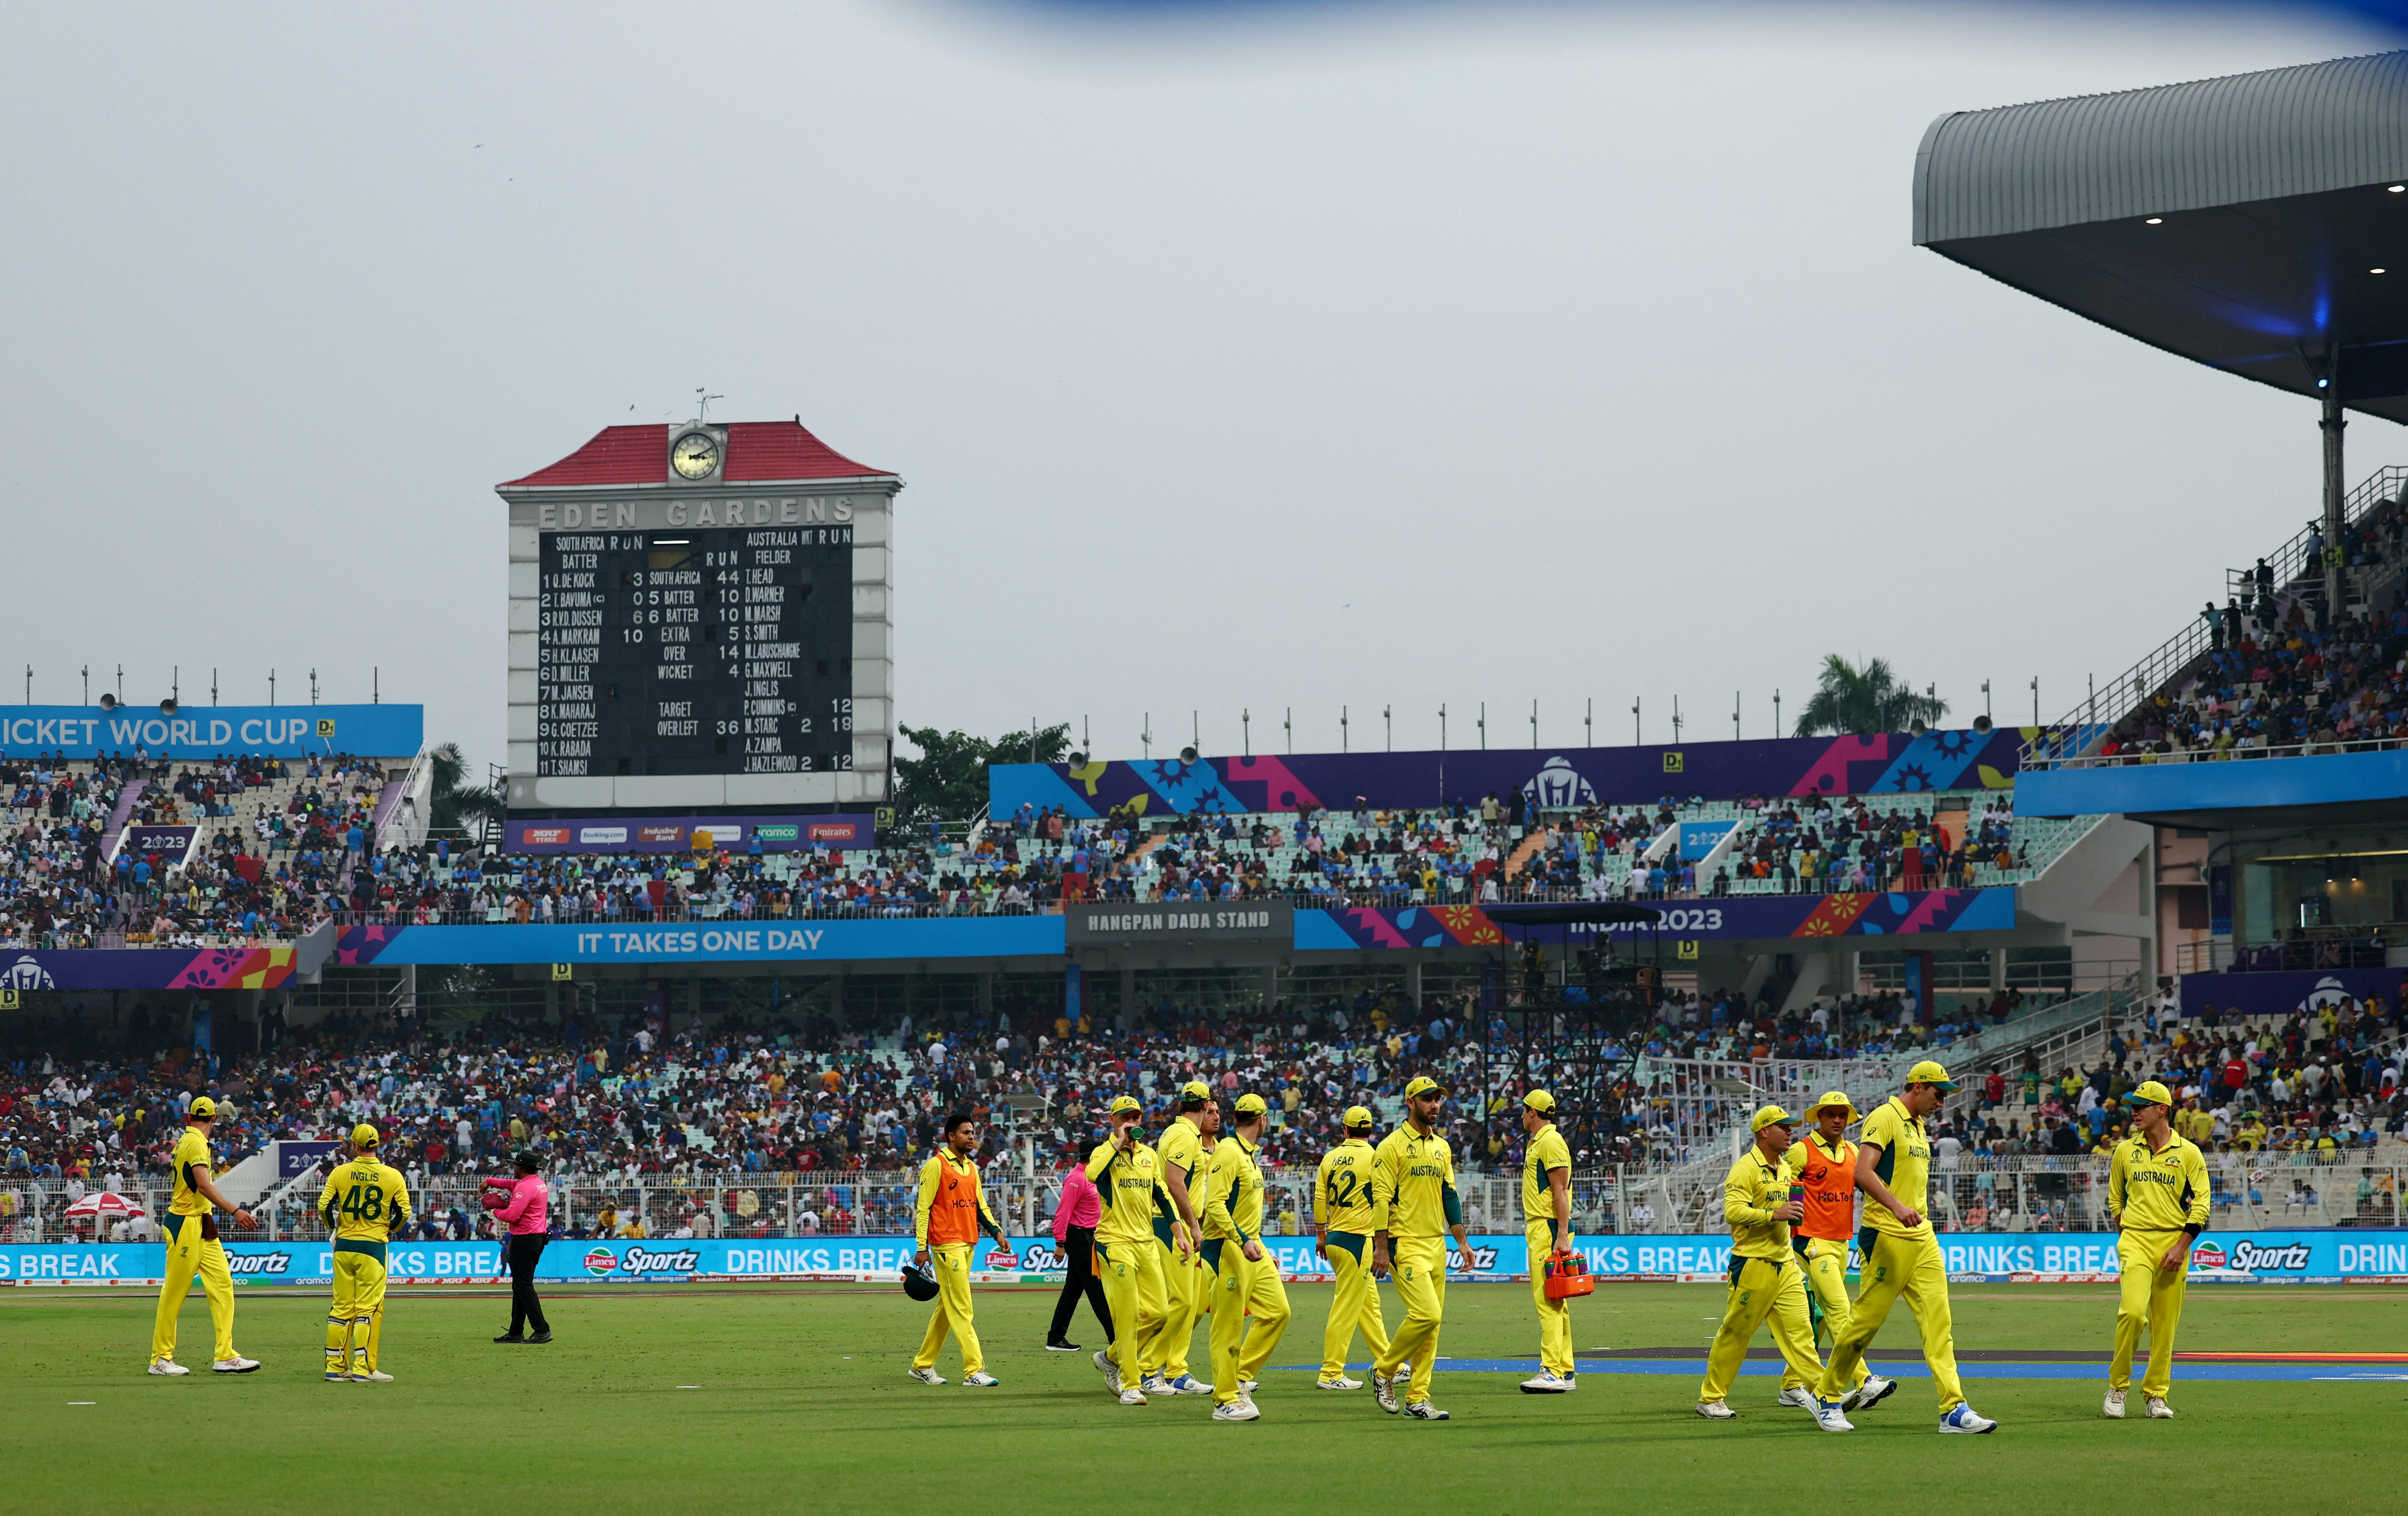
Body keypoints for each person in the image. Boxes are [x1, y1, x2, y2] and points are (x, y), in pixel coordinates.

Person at [1811, 1061, 1998, 1435]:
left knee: (1939, 1323)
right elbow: (1862, 1172)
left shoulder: (1918, 1125)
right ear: (1918, 1086)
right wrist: (1897, 1207)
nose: (1941, 1102)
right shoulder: (1886, 1116)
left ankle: (1953, 1409)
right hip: (1886, 1233)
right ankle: (1827, 1396)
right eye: (1937, 1094)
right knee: (1865, 1322)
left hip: (1922, 1237)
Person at [1695, 1107, 1831, 1420]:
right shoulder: (1745, 1168)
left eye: (1791, 1127)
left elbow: (1788, 1208)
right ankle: (1711, 1398)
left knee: (1803, 1331)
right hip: (1752, 1263)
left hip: (1785, 1264)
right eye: (1784, 1127)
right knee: (1736, 1333)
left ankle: (1826, 1395)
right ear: (1764, 1131)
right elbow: (1733, 1213)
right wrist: (1775, 1215)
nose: (1790, 1132)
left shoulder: (1785, 1167)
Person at [1368, 1074, 1478, 1421]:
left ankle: (1418, 1397)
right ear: (1411, 1103)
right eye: (1428, 1099)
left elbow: (1449, 1194)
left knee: (1433, 1325)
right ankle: (1385, 1371)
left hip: (1436, 1243)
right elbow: (1381, 1200)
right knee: (1426, 1314)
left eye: (1438, 1099)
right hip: (1405, 1242)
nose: (1435, 1105)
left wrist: (1461, 1241)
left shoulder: (1442, 1147)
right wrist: (1381, 1248)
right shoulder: (1391, 1147)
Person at [2103, 1079, 2209, 1420]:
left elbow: (2202, 1205)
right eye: (2132, 1106)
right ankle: (2118, 1387)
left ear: (2162, 1110)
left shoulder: (2189, 1152)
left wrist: (2181, 1246)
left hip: (2173, 1244)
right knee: (2133, 1313)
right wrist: (2124, 1229)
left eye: (2140, 1106)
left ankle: (2156, 1396)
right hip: (2135, 1240)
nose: (2133, 1112)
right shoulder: (2124, 1151)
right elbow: (2115, 1197)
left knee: (2165, 1326)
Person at [1783, 1092, 1887, 1412]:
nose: (1838, 1119)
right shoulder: (1802, 1150)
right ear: (1820, 1117)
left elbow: (1869, 1183)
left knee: (1825, 1319)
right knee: (1841, 1310)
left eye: (1843, 1114)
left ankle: (1790, 1386)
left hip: (1842, 1242)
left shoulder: (1854, 1152)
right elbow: (1777, 1184)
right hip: (1812, 1242)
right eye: (1831, 1114)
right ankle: (1865, 1380)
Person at [147, 1095, 261, 1376]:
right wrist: (236, 1211)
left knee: (223, 1285)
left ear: (189, 1118)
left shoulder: (185, 1140)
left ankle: (225, 1355)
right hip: (186, 1225)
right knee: (174, 1294)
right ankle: (160, 1360)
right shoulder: (197, 1143)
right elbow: (204, 1185)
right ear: (214, 1119)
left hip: (199, 1223)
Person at [1199, 1093, 1292, 1421]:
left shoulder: (1247, 1154)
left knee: (1278, 1312)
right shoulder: (1229, 1151)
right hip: (1227, 1247)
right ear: (1263, 1120)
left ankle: (1238, 1377)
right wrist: (1242, 1240)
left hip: (1251, 1248)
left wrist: (1258, 1245)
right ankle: (1225, 1400)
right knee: (1228, 1325)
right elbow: (1215, 1205)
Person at [1087, 1094, 1181, 1406]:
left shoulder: (1149, 1156)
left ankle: (1111, 1357)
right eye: (1125, 1117)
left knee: (1160, 1312)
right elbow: (1092, 1175)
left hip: (1146, 1243)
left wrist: (1179, 1230)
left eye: (1137, 1117)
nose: (1132, 1122)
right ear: (1113, 1121)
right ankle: (1131, 1384)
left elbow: (1162, 1193)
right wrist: (1118, 1144)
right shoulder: (1105, 1152)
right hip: (1116, 1243)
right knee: (1128, 1315)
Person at [907, 1112, 1008, 1388]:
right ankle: (974, 1370)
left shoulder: (972, 1168)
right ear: (951, 1137)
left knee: (947, 1308)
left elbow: (980, 1206)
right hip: (945, 1245)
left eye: (973, 1132)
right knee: (963, 1308)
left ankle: (922, 1365)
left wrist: (996, 1232)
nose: (972, 1137)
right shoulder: (936, 1165)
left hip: (968, 1242)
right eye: (966, 1132)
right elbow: (923, 1209)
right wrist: (921, 1247)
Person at [317, 1123, 412, 1383]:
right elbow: (404, 1212)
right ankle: (364, 1369)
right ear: (377, 1145)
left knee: (341, 1308)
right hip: (373, 1247)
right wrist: (388, 1229)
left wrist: (334, 1227)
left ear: (356, 1146)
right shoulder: (392, 1175)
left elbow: (324, 1205)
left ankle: (335, 1367)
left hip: (345, 1246)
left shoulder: (340, 1172)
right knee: (368, 1309)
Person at [1139, 1080, 1214, 1397]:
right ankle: (1147, 1368)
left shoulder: (1178, 1133)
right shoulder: (1185, 1136)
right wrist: (1193, 1225)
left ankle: (1176, 1370)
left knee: (1190, 1304)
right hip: (1175, 1229)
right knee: (1180, 1303)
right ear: (1206, 1103)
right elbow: (1174, 1182)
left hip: (1175, 1227)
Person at [1312, 1105, 1391, 1391]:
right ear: (1370, 1131)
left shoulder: (1330, 1158)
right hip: (1359, 1241)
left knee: (1368, 1306)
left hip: (1334, 1239)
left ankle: (1390, 1361)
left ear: (1345, 1130)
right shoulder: (1377, 1157)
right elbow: (1385, 1200)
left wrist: (1321, 1236)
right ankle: (1331, 1373)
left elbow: (1320, 1200)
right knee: (1345, 1309)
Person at [1518, 1090, 1577, 1394]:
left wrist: (1562, 1235)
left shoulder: (1550, 1142)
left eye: (1525, 1109)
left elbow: (1561, 1191)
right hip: (1545, 1225)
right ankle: (1564, 1370)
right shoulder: (1541, 1142)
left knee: (1548, 1302)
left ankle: (1552, 1370)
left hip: (1548, 1226)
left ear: (1533, 1112)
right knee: (1557, 1301)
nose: (1522, 1114)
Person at [1046, 1156, 1112, 1354]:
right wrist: (1060, 1242)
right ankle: (1116, 1338)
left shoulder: (1095, 1176)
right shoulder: (1077, 1179)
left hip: (1091, 1236)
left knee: (1073, 1290)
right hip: (1080, 1237)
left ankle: (1056, 1337)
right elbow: (1063, 1212)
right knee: (1096, 1289)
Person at [489, 1153, 553, 1344]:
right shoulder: (536, 1183)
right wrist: (489, 1181)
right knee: (519, 1286)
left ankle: (542, 1330)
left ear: (522, 1167)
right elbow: (510, 1184)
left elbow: (511, 1215)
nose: (514, 1168)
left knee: (523, 1286)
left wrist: (494, 1210)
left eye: (516, 1165)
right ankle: (516, 1331)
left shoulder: (525, 1187)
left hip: (525, 1240)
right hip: (535, 1239)